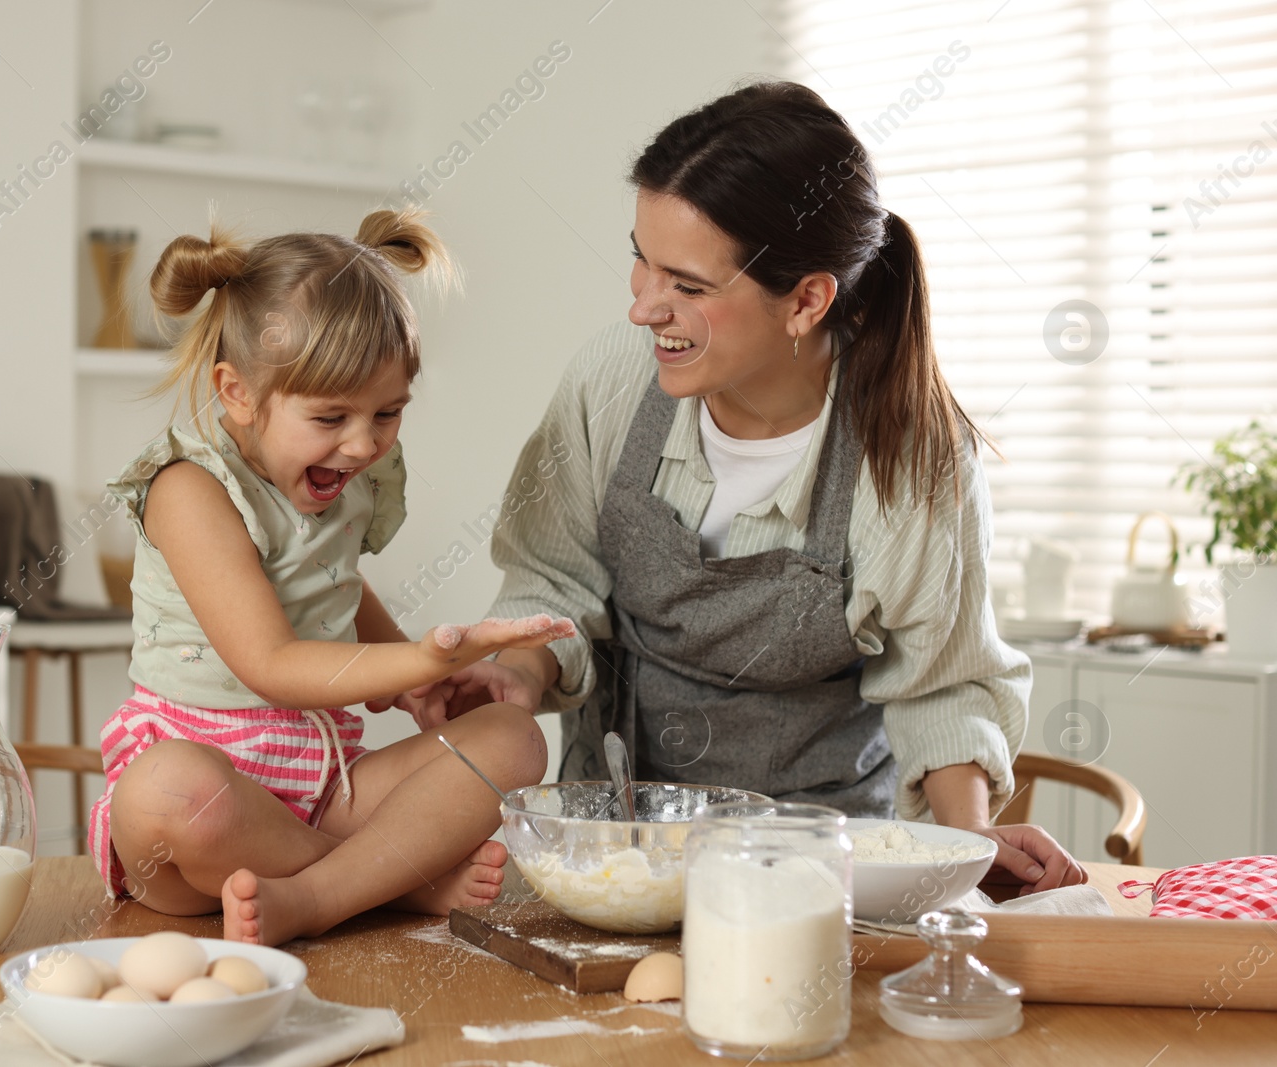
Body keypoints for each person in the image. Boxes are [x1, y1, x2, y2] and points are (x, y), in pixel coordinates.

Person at [395, 82, 1085, 895]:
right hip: (612, 853)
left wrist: (967, 846)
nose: (643, 308)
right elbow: (552, 581)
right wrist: (522, 669)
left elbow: (943, 683)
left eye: (686, 285)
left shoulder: (909, 457)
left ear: (806, 300)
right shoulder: (611, 386)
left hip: (816, 874)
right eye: (641, 262)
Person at [87, 207, 576, 945]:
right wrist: (430, 653)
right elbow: (271, 663)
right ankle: (381, 886)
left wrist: (411, 678)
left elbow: (337, 587)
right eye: (331, 417)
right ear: (238, 392)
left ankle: (321, 890)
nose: (362, 444)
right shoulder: (188, 489)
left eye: (388, 413)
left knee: (515, 739)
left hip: (322, 787)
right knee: (166, 790)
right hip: (198, 831)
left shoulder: (344, 483)